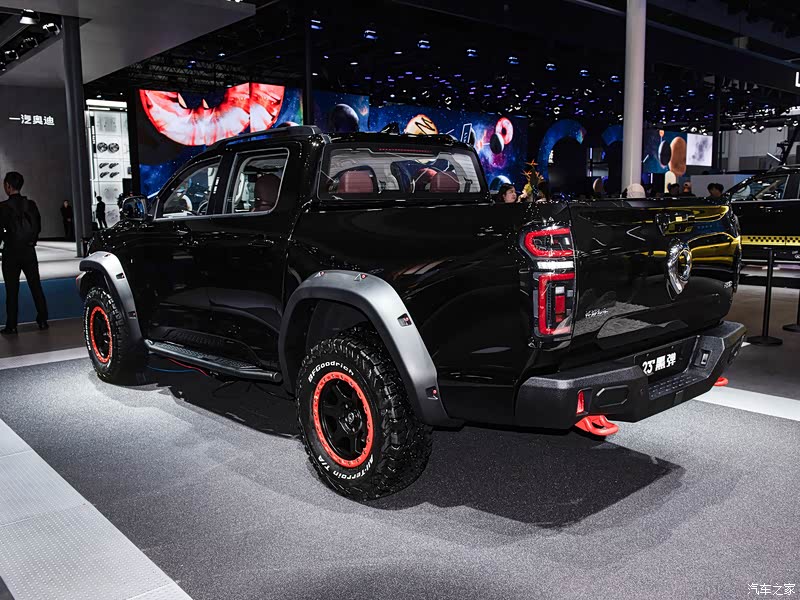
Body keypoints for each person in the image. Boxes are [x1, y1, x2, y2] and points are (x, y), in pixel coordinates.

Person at [0, 172, 48, 334]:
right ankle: (43, 320)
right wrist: (31, 241)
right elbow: (38, 226)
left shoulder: (3, 207)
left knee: (12, 290)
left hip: (11, 252)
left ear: (8, 186)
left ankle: (12, 325)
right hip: (28, 251)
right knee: (35, 286)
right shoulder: (31, 204)